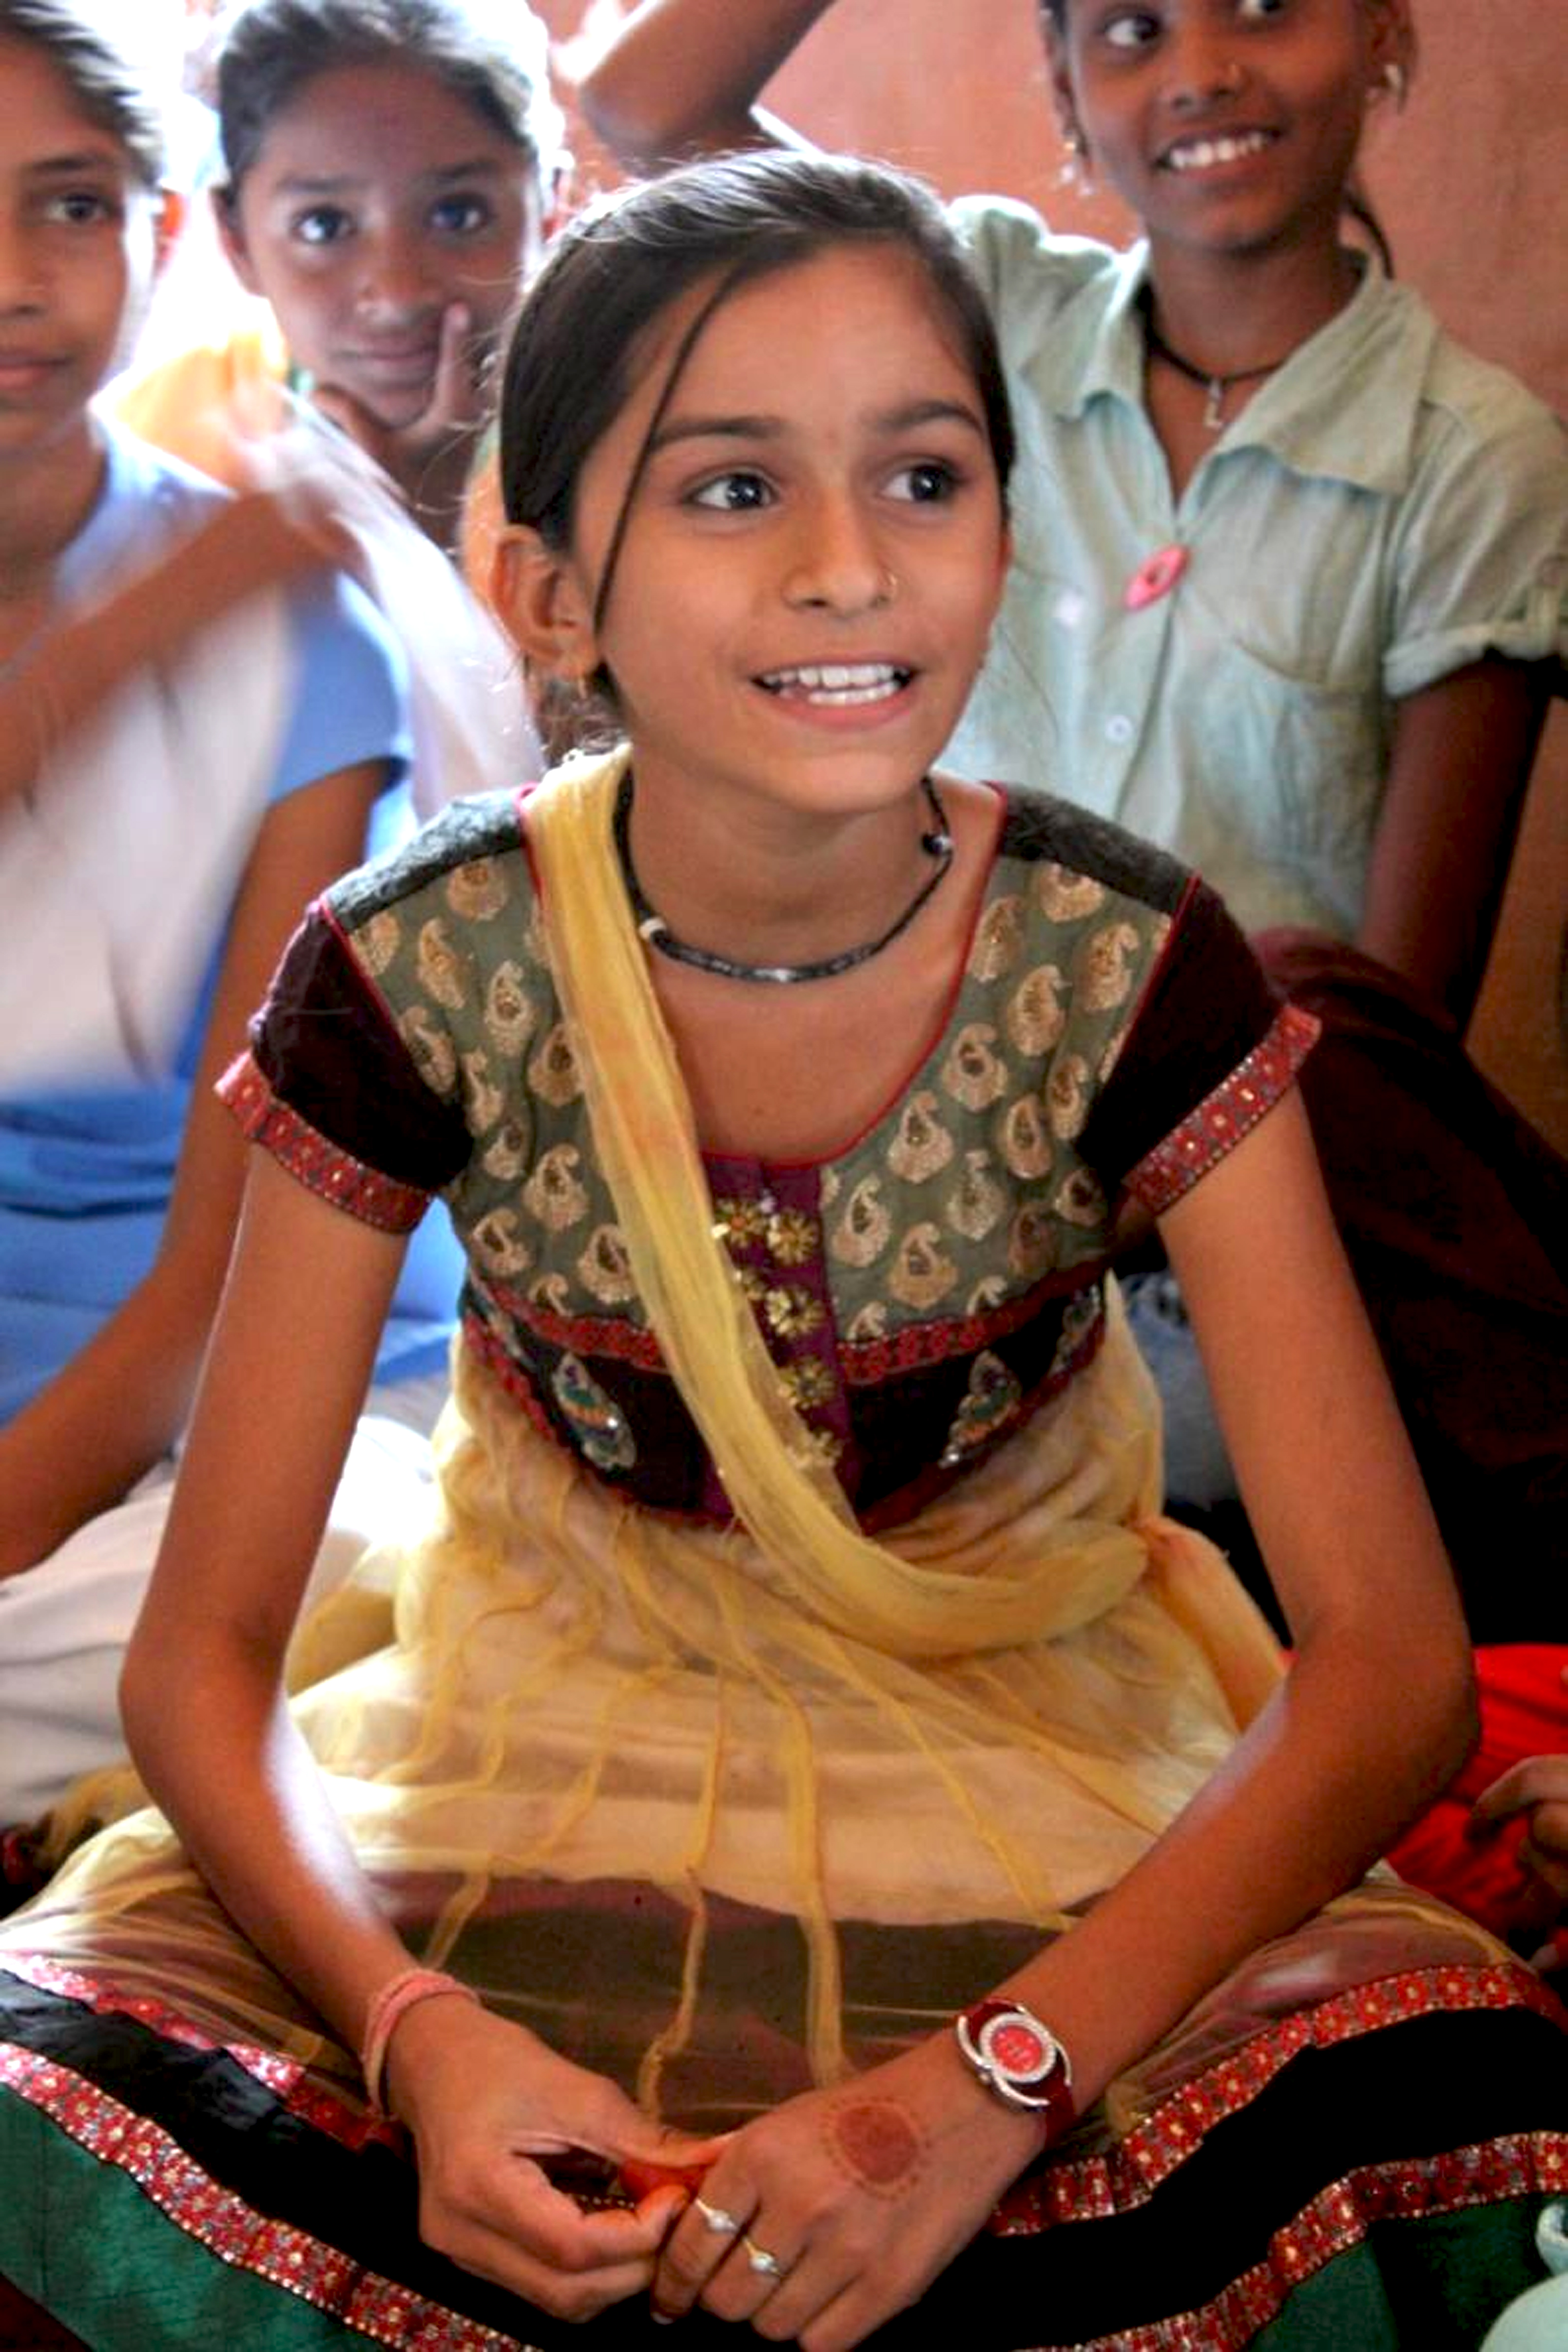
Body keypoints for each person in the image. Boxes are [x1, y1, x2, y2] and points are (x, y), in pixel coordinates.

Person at [0, 148, 1565, 2352]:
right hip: (525, 1720)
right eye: (731, 491)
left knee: (1437, 2080)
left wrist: (978, 2086)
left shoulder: (1120, 965)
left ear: (1002, 531)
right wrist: (414, 2033)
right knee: (50, 2081)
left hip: (1027, 1725)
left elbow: (1388, 1667)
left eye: (920, 475)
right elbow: (204, 1658)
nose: (851, 569)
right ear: (550, 597)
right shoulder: (419, 968)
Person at [578, 0, 1568, 1957]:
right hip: (891, 1167)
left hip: (1221, 1224)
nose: (1198, 72)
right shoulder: (985, 329)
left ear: (1384, 38)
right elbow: (641, 100)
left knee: (1165, 1374)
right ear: (1060, 97)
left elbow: (1380, 1030)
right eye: (1125, 30)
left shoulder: (1474, 460)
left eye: (1265, 7)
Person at [0, 0, 461, 1834]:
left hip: (255, 1395)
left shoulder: (289, 633)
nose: (16, 281)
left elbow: (221, 1285)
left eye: (67, 207)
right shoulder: (201, 591)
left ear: (161, 238)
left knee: (315, 1581)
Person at [117, 0, 563, 564]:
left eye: (459, 215)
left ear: (549, 205)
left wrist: (424, 528)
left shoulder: (616, 437)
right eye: (324, 226)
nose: (399, 295)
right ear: (239, 242)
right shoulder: (164, 441)